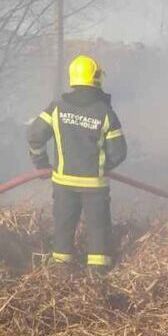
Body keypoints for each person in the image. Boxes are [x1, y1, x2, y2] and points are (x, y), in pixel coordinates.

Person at [27, 55, 127, 271]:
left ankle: (61, 275)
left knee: (63, 229)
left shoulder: (57, 108)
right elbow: (119, 152)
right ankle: (97, 280)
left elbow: (34, 135)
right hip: (94, 187)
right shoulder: (105, 113)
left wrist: (41, 163)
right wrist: (102, 166)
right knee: (98, 232)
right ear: (96, 79)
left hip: (64, 184)